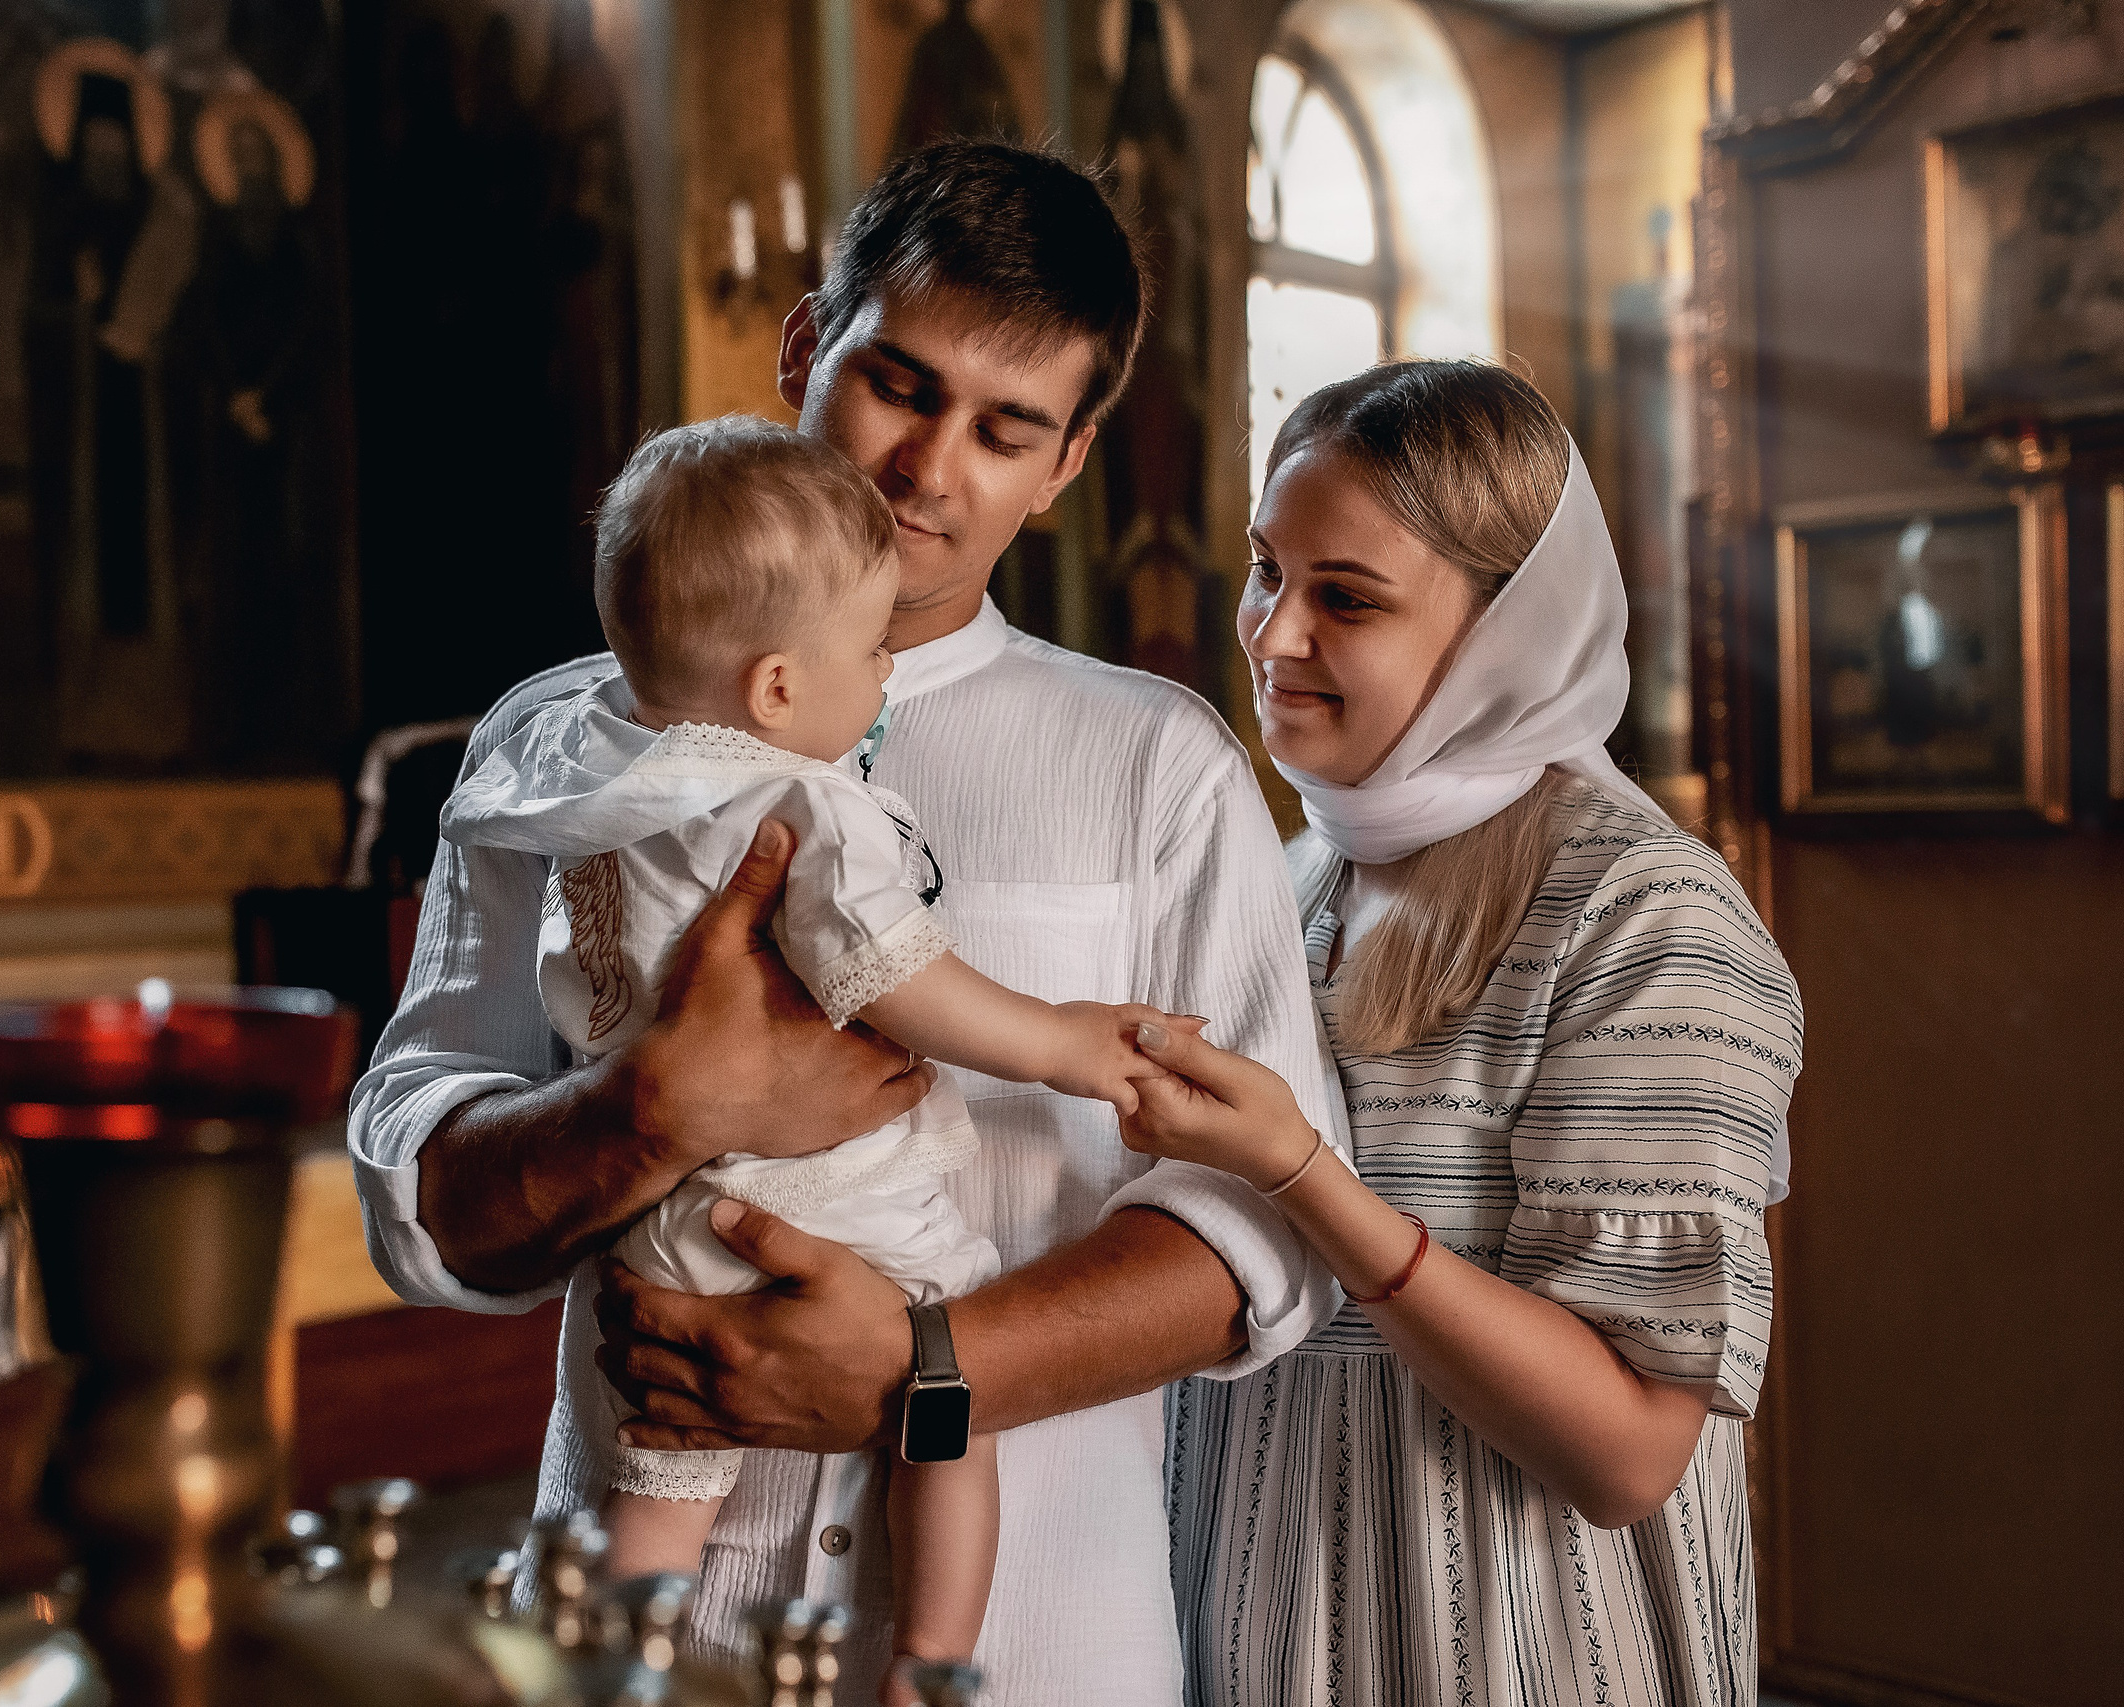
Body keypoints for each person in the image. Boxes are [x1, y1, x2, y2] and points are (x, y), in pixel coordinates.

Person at [349, 139, 1345, 1703]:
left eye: (1007, 428)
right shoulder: (554, 748)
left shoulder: (1159, 762)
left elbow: (1273, 1236)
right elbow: (417, 1184)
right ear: (806, 345)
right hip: (642, 1634)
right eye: (900, 382)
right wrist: (645, 1109)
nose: (930, 469)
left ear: (1068, 462)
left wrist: (922, 1370)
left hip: (1039, 1643)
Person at [441, 414, 1169, 1694]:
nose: (884, 678)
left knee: (660, 1484)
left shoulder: (580, 780)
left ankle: (610, 1668)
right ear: (777, 688)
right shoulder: (803, 799)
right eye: (871, 650)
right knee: (949, 1404)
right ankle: (932, 1662)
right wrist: (1058, 1041)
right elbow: (894, 976)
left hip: (660, 1226)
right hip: (822, 1197)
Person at [1115, 360, 1801, 1705]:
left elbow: (1623, 1450)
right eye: (1268, 570)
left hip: (1509, 1641)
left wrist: (1302, 1170)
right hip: (1246, 1610)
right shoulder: (1287, 874)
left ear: (1508, 633)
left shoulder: (1640, 912)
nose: (1272, 632)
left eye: (1346, 598)